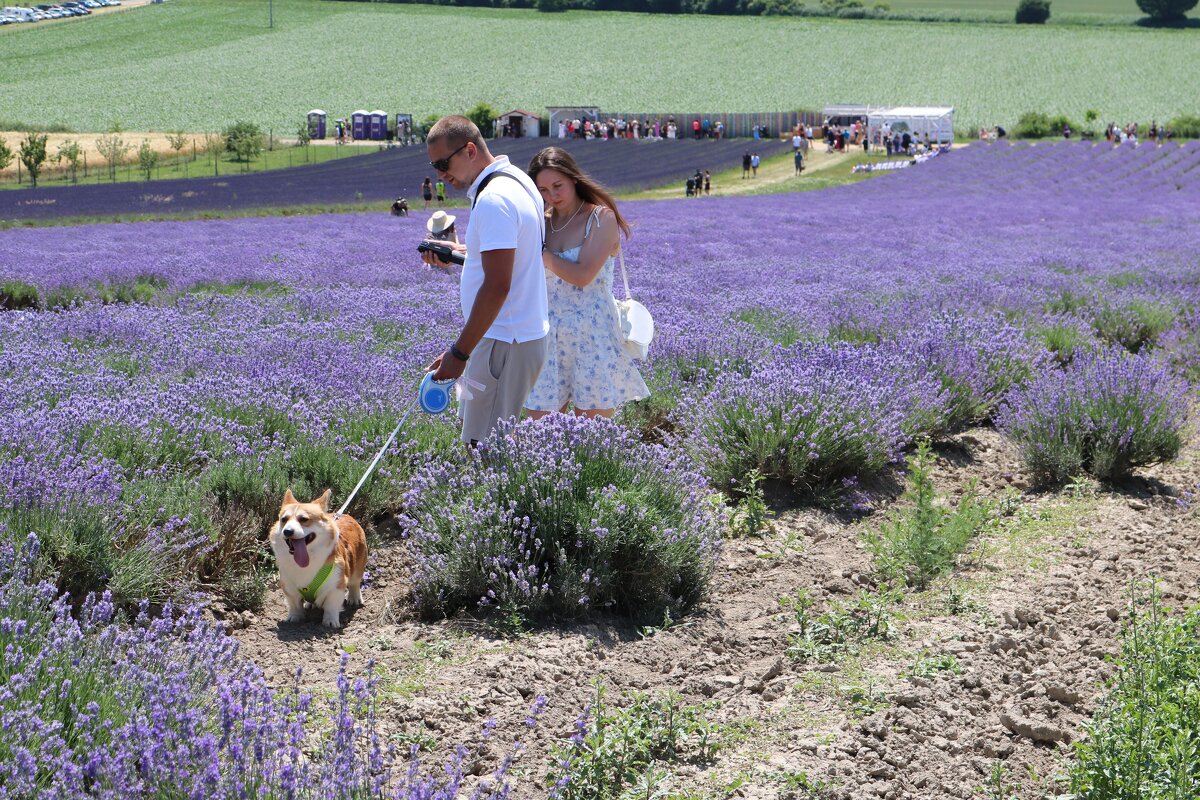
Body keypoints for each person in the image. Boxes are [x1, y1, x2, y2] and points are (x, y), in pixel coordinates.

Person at [420, 116, 548, 445]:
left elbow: (497, 285)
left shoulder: (494, 200)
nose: (440, 175)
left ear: (470, 150)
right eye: (434, 166)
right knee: (490, 441)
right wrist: (458, 251)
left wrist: (460, 353)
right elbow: (510, 258)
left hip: (504, 341)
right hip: (507, 338)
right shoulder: (517, 181)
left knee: (484, 448)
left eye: (444, 163)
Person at [524, 146, 648, 420]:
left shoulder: (601, 218)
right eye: (543, 190)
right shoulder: (540, 223)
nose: (552, 196)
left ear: (573, 179)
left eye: (558, 186)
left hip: (593, 336)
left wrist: (543, 255)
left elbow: (583, 276)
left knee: (592, 436)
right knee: (540, 432)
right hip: (548, 336)